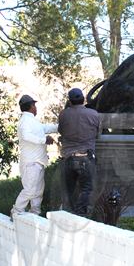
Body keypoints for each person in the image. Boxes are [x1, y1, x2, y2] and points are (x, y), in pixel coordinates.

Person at [11, 94, 58, 219]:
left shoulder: (31, 121)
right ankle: (16, 211)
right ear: (31, 106)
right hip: (30, 162)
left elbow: (45, 128)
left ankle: (35, 214)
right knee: (30, 190)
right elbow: (27, 136)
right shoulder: (25, 122)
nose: (36, 108)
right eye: (34, 105)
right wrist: (44, 140)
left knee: (38, 192)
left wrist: (60, 126)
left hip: (37, 162)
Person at [58, 87, 101, 216]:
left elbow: (61, 131)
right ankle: (79, 213)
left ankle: (68, 214)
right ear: (83, 99)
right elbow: (98, 134)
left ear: (70, 101)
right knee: (87, 188)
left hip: (68, 158)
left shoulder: (63, 114)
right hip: (86, 157)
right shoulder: (94, 114)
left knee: (68, 190)